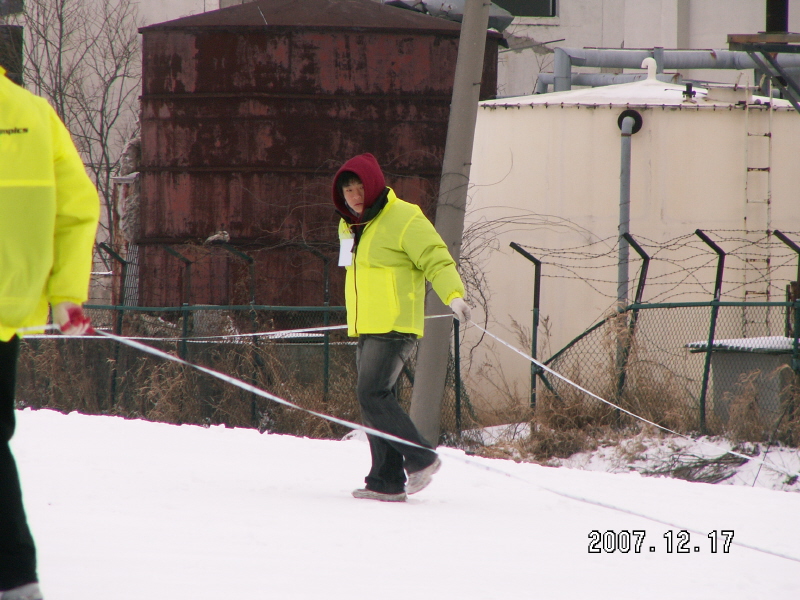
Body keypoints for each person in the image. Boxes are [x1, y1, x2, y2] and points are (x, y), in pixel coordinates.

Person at [0, 65, 99, 600]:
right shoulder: (33, 115)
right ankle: (16, 578)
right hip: (6, 313)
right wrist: (65, 294)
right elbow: (77, 210)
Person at [332, 153, 471, 502]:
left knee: (371, 392)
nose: (354, 195)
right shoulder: (348, 225)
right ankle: (386, 480)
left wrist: (453, 295)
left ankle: (421, 458)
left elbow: (436, 258)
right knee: (378, 399)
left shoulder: (405, 217)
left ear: (374, 183)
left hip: (395, 322)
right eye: (347, 190)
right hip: (366, 324)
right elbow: (352, 270)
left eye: (359, 186)